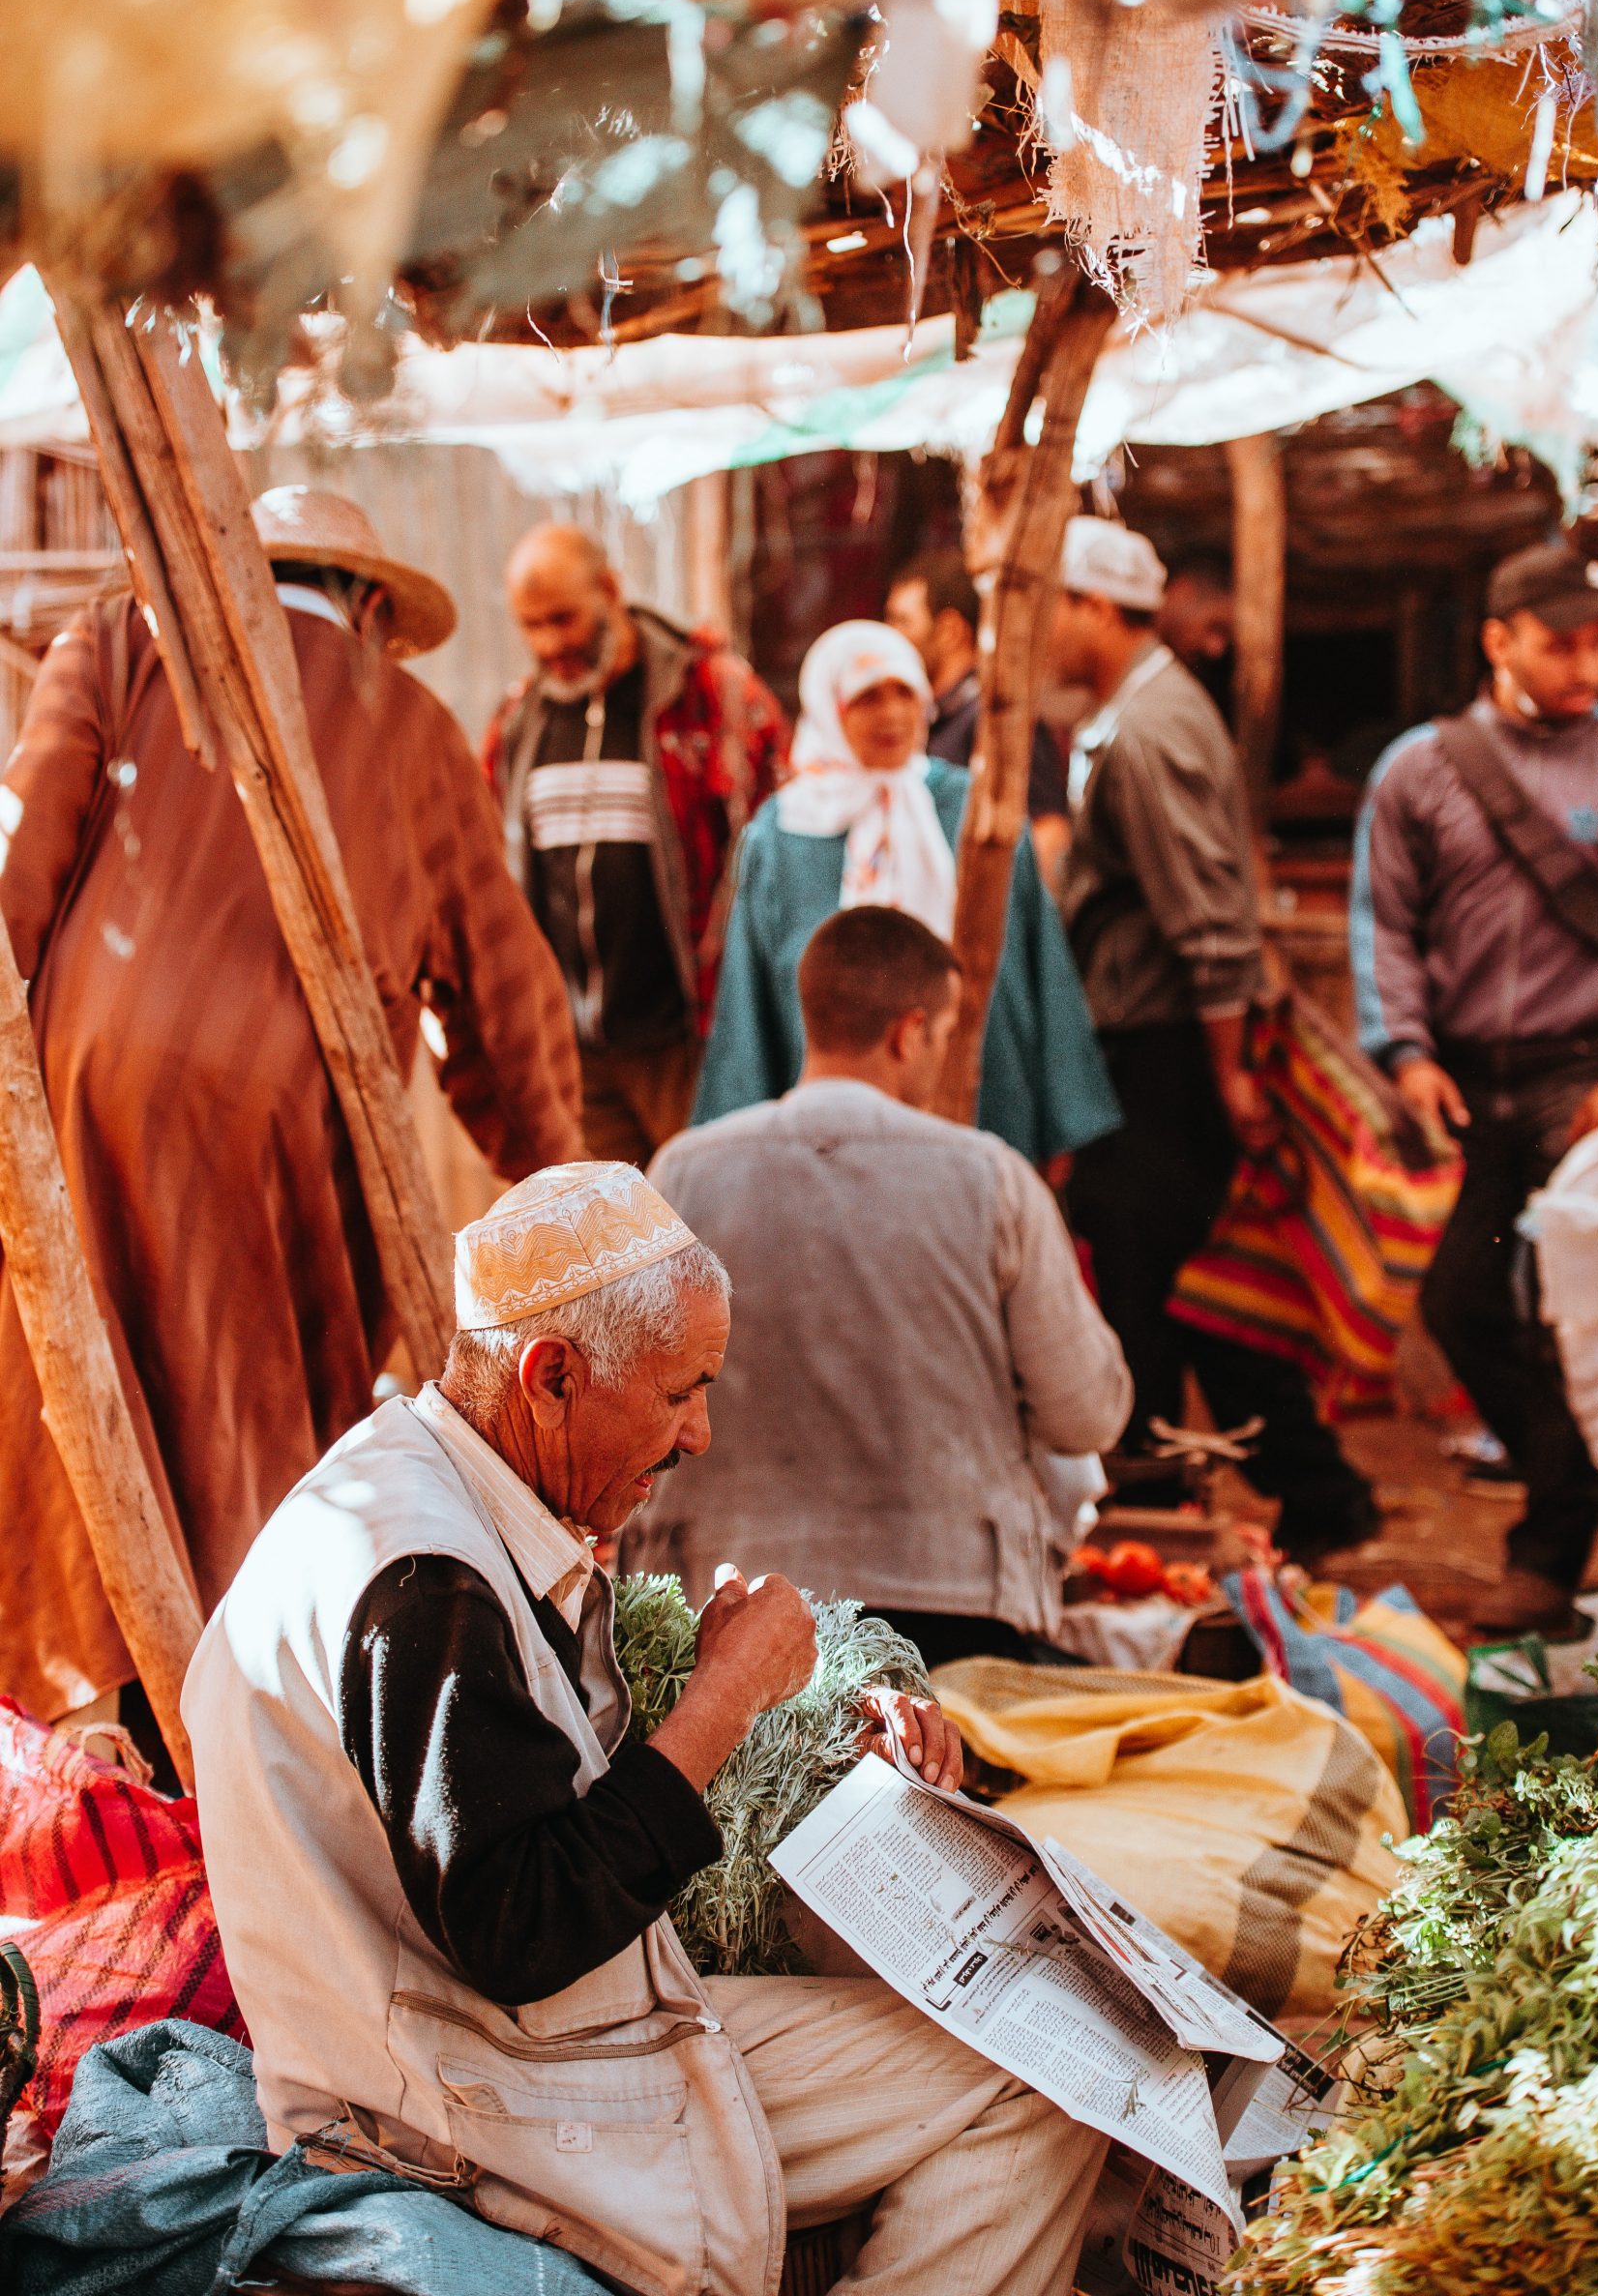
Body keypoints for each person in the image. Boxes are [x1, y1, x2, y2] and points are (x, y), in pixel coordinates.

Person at [184, 1162, 1109, 2296]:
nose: (701, 1435)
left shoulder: (419, 1491)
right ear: (554, 1375)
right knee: (1040, 2078)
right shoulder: (422, 1578)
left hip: (518, 2043)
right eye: (681, 1392)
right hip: (468, 2096)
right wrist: (723, 1698)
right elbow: (521, 1925)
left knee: (1026, 2042)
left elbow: (520, 1802)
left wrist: (810, 1726)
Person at [0, 487, 582, 1725]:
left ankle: (101, 1716)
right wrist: (556, 1189)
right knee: (250, 1426)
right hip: (285, 1113)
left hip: (83, 1079)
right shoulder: (414, 723)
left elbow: (19, 874)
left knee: (73, 1394)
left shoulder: (111, 644)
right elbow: (505, 997)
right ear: (369, 604)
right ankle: (229, 1721)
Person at [625, 907, 1132, 1666]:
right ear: (908, 1032)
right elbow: (1086, 1414)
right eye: (945, 1032)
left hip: (720, 1616)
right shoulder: (992, 1178)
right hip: (956, 1617)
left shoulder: (682, 1173)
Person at [1055, 516, 1379, 1564]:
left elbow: (1207, 919)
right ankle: (1309, 1494)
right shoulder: (1140, 711)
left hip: (1167, 1050)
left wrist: (1232, 1069)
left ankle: (1166, 1508)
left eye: (1054, 607)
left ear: (1094, 609)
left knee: (1151, 1284)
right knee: (1194, 1286)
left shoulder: (1146, 730)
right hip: (1164, 1042)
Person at [1352, 539, 1598, 1631]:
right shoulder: (1419, 770)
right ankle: (1588, 1490)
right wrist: (1408, 1053)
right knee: (1465, 1304)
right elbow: (1384, 926)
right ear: (1498, 640)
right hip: (1474, 1083)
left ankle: (1555, 1547)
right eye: (1559, 643)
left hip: (1597, 1088)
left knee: (1571, 1312)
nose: (1585, 664)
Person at [693, 620, 1117, 1165]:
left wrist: (1061, 1127)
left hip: (986, 1100)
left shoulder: (976, 813)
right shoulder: (783, 834)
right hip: (834, 1130)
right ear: (830, 708)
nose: (892, 715)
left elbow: (1041, 965)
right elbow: (751, 1002)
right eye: (867, 698)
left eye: (904, 693)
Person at [483, 522, 788, 1166]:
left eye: (564, 619)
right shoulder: (518, 724)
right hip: (578, 1058)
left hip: (692, 1045)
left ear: (611, 591)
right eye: (531, 626)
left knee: (706, 1238)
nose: (550, 645)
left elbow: (776, 854)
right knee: (606, 1254)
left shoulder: (712, 696)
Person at [884, 548, 1072, 883]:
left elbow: (1048, 832)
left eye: (902, 621)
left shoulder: (995, 717)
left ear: (950, 631)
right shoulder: (933, 717)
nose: (889, 635)